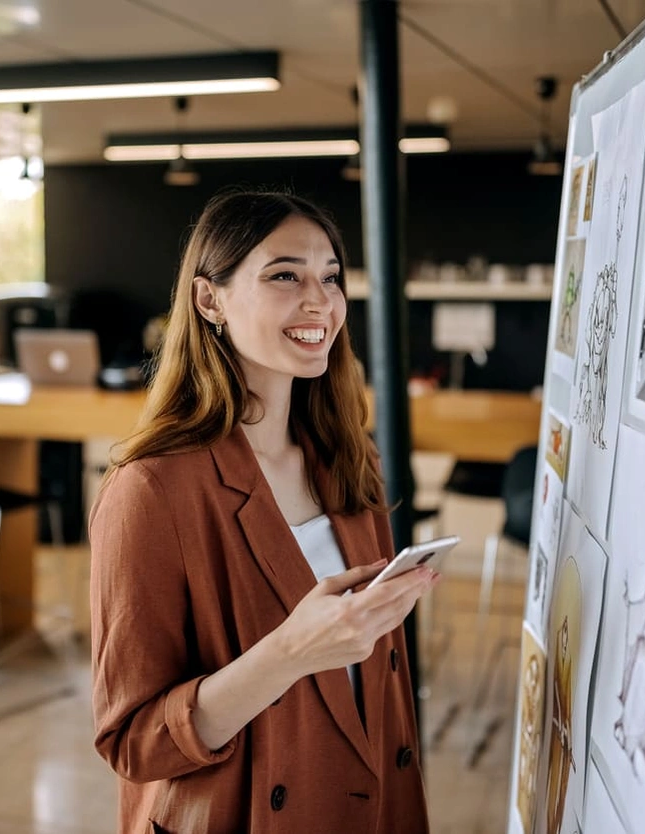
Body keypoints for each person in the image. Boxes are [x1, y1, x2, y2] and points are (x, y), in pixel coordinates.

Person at [88, 191, 436, 833]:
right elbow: (133, 742)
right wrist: (290, 653)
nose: (319, 301)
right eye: (284, 275)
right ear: (208, 300)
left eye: (331, 277)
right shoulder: (151, 490)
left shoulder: (350, 462)